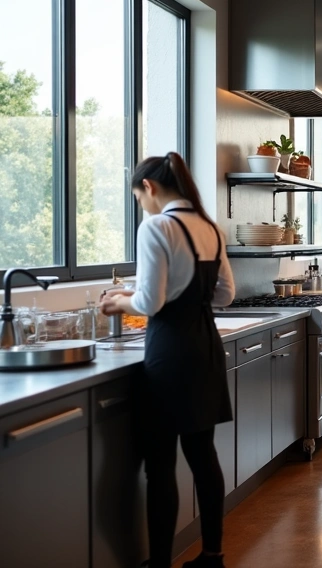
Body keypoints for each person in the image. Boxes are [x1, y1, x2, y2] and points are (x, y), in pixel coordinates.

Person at [100, 152, 234, 568]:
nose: (142, 204)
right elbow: (225, 294)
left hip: (170, 353)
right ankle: (212, 555)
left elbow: (149, 302)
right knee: (204, 458)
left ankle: (160, 563)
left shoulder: (156, 226)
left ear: (150, 188)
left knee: (160, 467)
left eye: (139, 197)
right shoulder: (210, 228)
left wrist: (117, 301)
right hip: (205, 348)